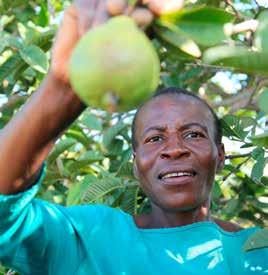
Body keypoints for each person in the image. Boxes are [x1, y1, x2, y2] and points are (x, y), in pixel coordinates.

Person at [0, 0, 267, 274]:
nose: (174, 150)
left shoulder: (258, 253)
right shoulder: (90, 237)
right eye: (154, 139)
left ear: (220, 155)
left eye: (193, 134)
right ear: (136, 163)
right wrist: (62, 87)